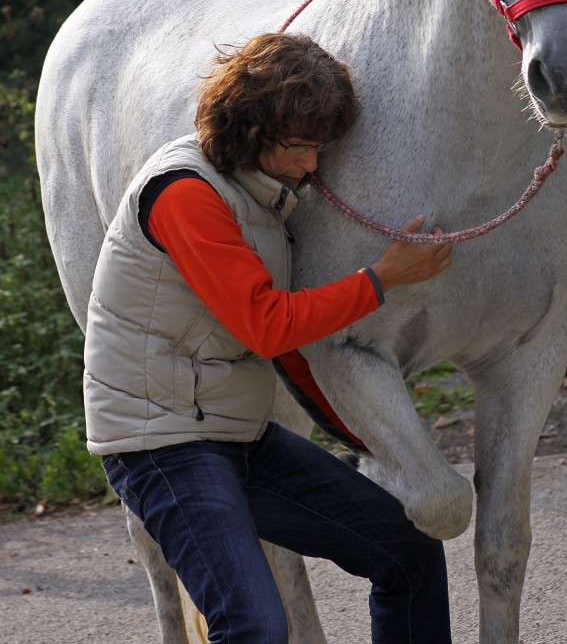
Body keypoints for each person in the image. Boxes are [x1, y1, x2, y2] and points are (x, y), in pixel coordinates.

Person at [84, 32, 453, 644]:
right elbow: (265, 323)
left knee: (406, 551)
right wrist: (381, 279)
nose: (313, 164)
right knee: (253, 625)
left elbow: (285, 351)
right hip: (162, 446)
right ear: (251, 127)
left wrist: (355, 428)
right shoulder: (184, 194)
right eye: (302, 146)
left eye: (320, 147)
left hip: (237, 436)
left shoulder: (258, 197)